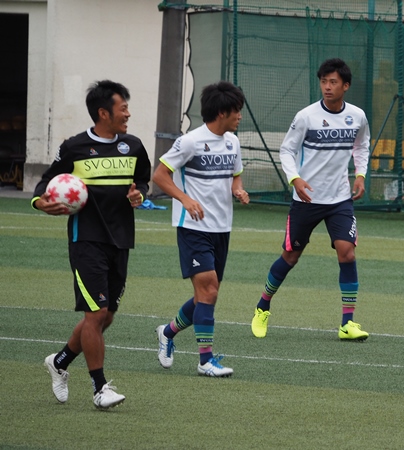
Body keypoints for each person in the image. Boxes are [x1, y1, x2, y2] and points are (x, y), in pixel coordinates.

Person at [36, 80, 151, 409]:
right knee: (96, 313)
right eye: (123, 108)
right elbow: (45, 182)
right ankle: (100, 389)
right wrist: (41, 202)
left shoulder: (133, 146)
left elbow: (143, 179)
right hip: (86, 240)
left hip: (121, 240)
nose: (128, 114)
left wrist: (139, 193)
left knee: (104, 317)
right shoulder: (74, 147)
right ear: (103, 113)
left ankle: (59, 362)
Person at [250, 58, 371, 341]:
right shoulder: (306, 116)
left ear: (345, 86)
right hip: (306, 200)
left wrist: (360, 174)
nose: (327, 87)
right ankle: (262, 306)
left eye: (333, 82)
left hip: (340, 199)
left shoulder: (357, 116)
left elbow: (362, 145)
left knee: (347, 252)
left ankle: (347, 323)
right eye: (323, 82)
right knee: (291, 256)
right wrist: (295, 179)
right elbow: (286, 150)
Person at [153, 81, 249, 377]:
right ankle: (205, 360)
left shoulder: (233, 142)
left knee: (206, 295)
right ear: (221, 113)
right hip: (193, 227)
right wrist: (185, 198)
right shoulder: (190, 142)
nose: (240, 116)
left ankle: (167, 332)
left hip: (222, 227)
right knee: (208, 288)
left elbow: (235, 175)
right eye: (236, 111)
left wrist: (238, 189)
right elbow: (160, 175)